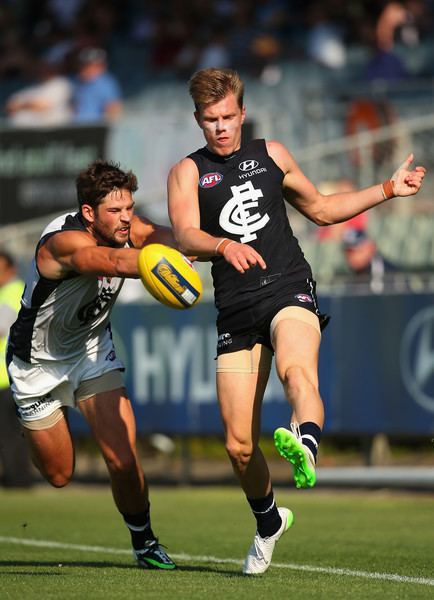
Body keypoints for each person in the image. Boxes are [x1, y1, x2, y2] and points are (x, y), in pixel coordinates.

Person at [167, 67, 426, 575]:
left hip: (288, 288)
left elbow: (324, 210)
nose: (220, 127)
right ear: (198, 119)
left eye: (227, 117)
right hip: (236, 309)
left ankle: (305, 442)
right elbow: (183, 234)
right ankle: (269, 523)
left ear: (242, 113)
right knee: (238, 446)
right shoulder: (188, 172)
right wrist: (222, 245)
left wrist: (387, 189)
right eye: (209, 119)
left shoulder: (272, 154)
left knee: (296, 371)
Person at [7, 160, 176, 570]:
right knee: (60, 474)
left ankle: (144, 540)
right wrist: (165, 263)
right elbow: (114, 263)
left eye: (130, 208)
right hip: (36, 367)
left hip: (91, 353)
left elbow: (178, 239)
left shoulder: (128, 229)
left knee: (123, 458)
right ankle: (35, 425)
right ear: (88, 214)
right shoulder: (61, 243)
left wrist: (219, 246)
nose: (125, 219)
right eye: (114, 212)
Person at [0, 250, 33, 487]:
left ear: (10, 269)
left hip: (9, 376)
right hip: (6, 376)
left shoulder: (14, 291)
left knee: (11, 434)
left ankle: (18, 480)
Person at [5, 57, 73, 127]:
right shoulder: (34, 84)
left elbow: (41, 105)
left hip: (55, 129)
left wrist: (23, 105)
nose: (43, 70)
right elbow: (11, 106)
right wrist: (29, 104)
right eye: (41, 67)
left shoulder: (61, 83)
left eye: (47, 67)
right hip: (27, 130)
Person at [72, 47, 122, 123]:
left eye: (94, 65)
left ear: (103, 66)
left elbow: (113, 108)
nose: (88, 69)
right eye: (85, 65)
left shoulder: (106, 83)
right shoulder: (76, 81)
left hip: (96, 127)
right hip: (75, 126)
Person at [341, 228, 397, 293]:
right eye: (348, 252)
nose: (352, 257)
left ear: (370, 248)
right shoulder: (343, 273)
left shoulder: (389, 272)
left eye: (357, 251)